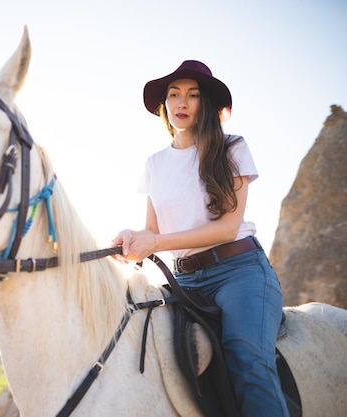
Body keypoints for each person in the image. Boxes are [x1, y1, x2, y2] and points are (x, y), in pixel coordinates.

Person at [113, 60, 288, 417]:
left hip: (239, 271)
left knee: (247, 359)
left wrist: (155, 244)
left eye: (192, 95)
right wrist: (132, 238)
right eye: (173, 94)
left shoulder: (232, 147)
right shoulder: (155, 163)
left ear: (204, 103)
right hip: (185, 280)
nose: (181, 102)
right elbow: (153, 230)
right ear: (164, 105)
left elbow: (227, 227)